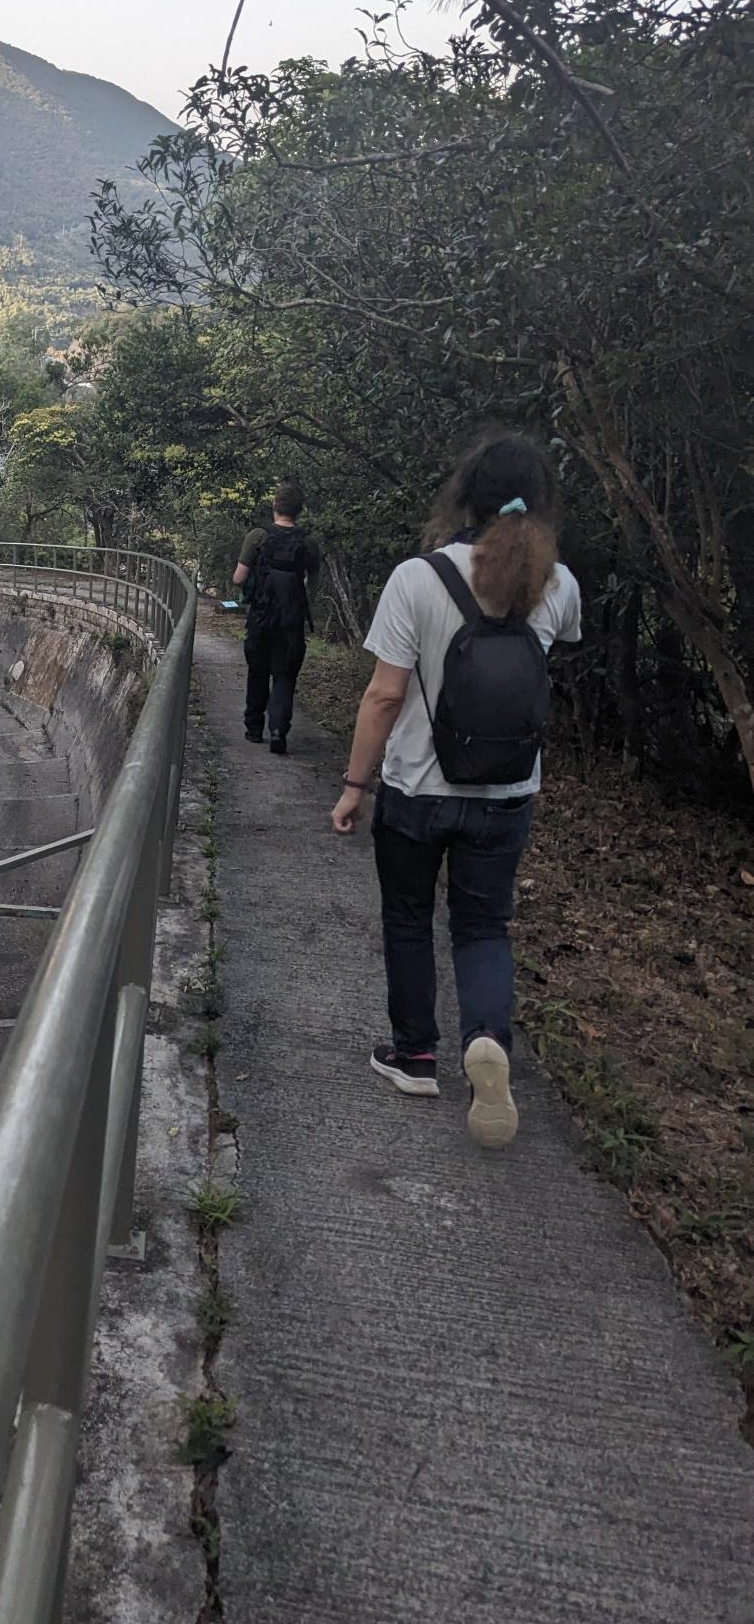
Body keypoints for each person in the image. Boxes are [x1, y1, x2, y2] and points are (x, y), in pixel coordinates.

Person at [330, 430, 581, 1149]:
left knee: (408, 919)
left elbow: (383, 697)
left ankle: (413, 1055)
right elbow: (551, 654)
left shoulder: (418, 578)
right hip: (505, 794)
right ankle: (487, 1040)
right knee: (482, 927)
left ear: (463, 493)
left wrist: (355, 785)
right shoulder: (557, 585)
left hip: (417, 790)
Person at [233, 481, 320, 755]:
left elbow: (238, 578)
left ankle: (254, 728)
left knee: (257, 671)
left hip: (261, 617)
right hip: (291, 622)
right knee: (285, 675)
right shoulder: (308, 543)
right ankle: (279, 729)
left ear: (274, 506)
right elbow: (312, 586)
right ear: (300, 511)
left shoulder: (257, 537)